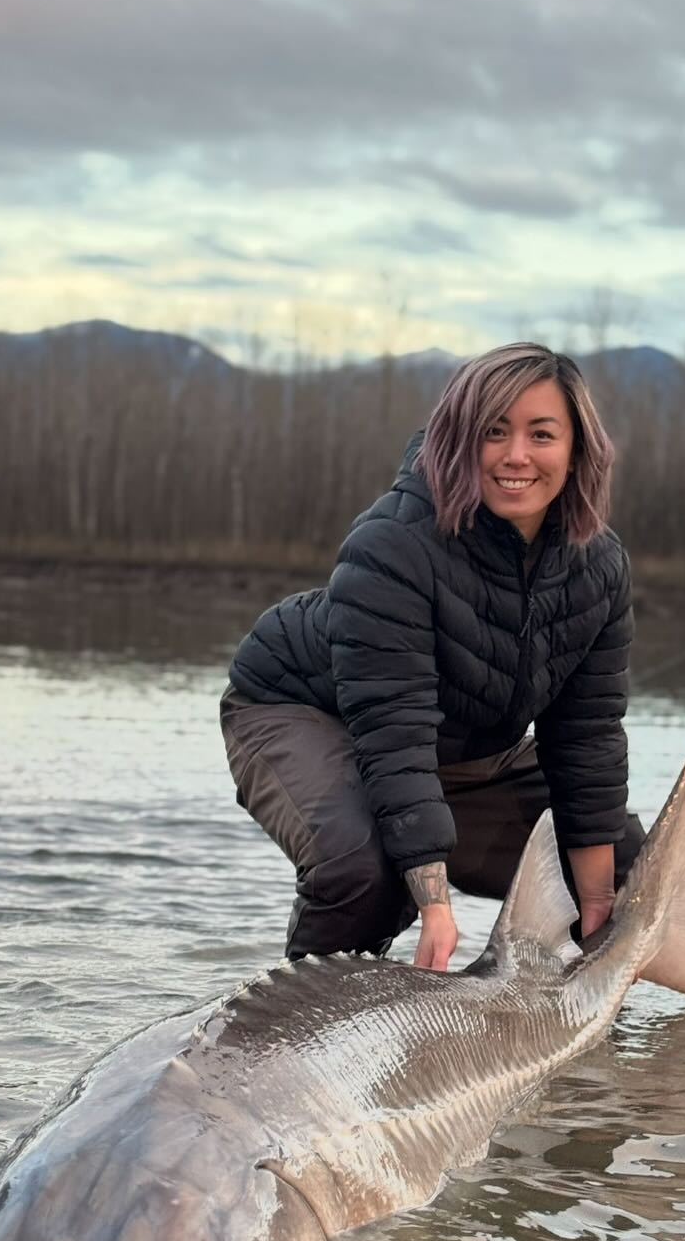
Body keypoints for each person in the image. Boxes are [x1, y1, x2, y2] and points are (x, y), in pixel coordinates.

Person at [221, 341, 643, 973]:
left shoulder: (599, 566)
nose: (517, 455)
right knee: (364, 871)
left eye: (542, 434)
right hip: (301, 710)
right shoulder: (392, 545)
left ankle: (569, 1046)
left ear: (578, 448)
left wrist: (600, 908)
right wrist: (434, 905)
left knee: (628, 864)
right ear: (457, 441)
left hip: (464, 750)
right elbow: (397, 734)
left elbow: (586, 741)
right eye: (493, 432)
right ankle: (308, 1036)